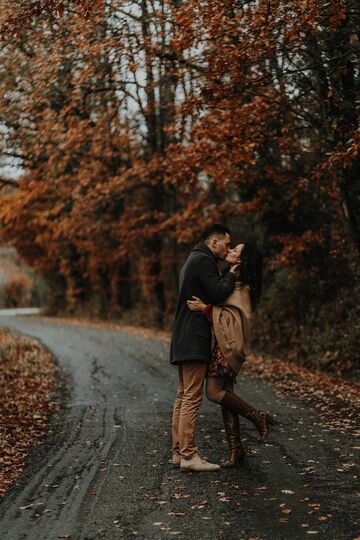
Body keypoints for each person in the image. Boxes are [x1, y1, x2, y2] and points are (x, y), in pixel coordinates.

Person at [187, 242, 275, 468]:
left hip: (229, 345)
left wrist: (205, 309)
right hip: (226, 343)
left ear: (242, 261)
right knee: (226, 395)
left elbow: (231, 315)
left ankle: (257, 416)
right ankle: (236, 451)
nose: (230, 251)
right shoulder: (233, 280)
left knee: (213, 392)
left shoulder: (240, 286)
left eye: (235, 250)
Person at [170, 224, 238, 472]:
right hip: (193, 336)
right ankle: (189, 456)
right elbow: (218, 292)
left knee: (183, 394)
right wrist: (233, 271)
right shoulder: (203, 261)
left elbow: (208, 290)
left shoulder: (193, 259)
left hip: (182, 335)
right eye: (227, 244)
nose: (228, 248)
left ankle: (179, 452)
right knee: (191, 396)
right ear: (214, 243)